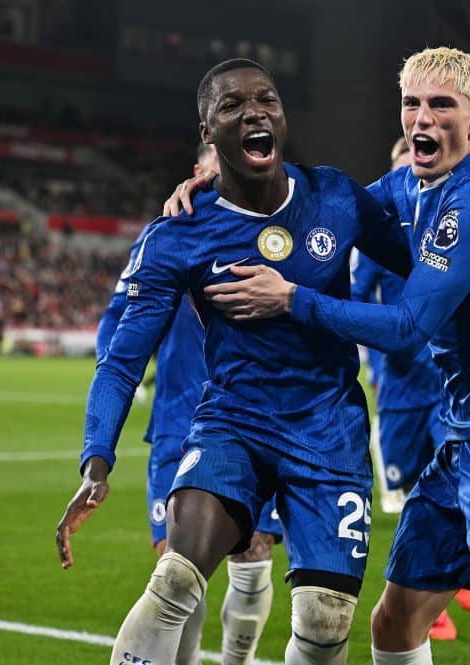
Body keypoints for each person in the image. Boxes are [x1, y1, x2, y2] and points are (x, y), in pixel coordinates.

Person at [199, 47, 470, 665]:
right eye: (412, 104)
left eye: (441, 106)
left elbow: (406, 327)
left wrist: (291, 298)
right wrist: (218, 188)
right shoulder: (407, 185)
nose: (422, 118)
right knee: (395, 623)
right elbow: (314, 205)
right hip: (460, 437)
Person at [56, 58, 416, 665]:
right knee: (174, 580)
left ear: (282, 116)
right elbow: (120, 362)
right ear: (208, 133)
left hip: (328, 432)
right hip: (232, 426)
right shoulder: (179, 232)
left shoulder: (335, 197)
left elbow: (433, 269)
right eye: (231, 106)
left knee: (326, 621)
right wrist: (96, 459)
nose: (254, 112)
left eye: (266, 99)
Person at [84, 142, 284, 665]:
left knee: (253, 558)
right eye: (225, 159)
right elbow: (117, 321)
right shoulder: (168, 235)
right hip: (180, 423)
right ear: (200, 171)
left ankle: (237, 661)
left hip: (260, 425)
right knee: (177, 569)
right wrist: (127, 369)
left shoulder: (281, 231)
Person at [351, 136, 470, 642]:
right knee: (405, 498)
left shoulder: (449, 233)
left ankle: (460, 577)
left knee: (459, 483)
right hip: (400, 385)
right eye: (402, 173)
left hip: (446, 380)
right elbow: (356, 300)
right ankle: (421, 596)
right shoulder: (382, 244)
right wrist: (376, 366)